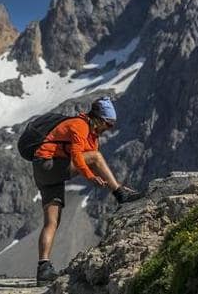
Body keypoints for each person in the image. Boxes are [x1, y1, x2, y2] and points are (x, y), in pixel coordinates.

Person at [30, 96, 142, 286]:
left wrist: (95, 174)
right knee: (96, 157)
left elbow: (83, 156)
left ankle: (43, 268)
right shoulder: (79, 125)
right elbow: (78, 156)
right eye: (108, 124)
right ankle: (120, 193)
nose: (108, 129)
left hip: (44, 171)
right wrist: (91, 176)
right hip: (48, 164)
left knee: (52, 221)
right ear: (98, 118)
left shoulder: (92, 135)